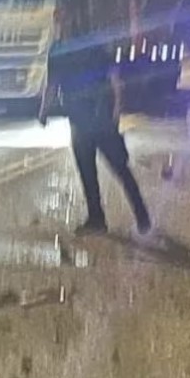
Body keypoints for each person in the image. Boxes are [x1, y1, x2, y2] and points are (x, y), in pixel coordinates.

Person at [39, 31, 152, 237]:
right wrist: (117, 108)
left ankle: (109, 218)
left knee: (102, 170)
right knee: (109, 170)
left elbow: (54, 85)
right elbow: (113, 77)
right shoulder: (85, 46)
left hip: (93, 119)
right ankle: (129, 218)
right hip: (92, 118)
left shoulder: (62, 50)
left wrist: (44, 111)